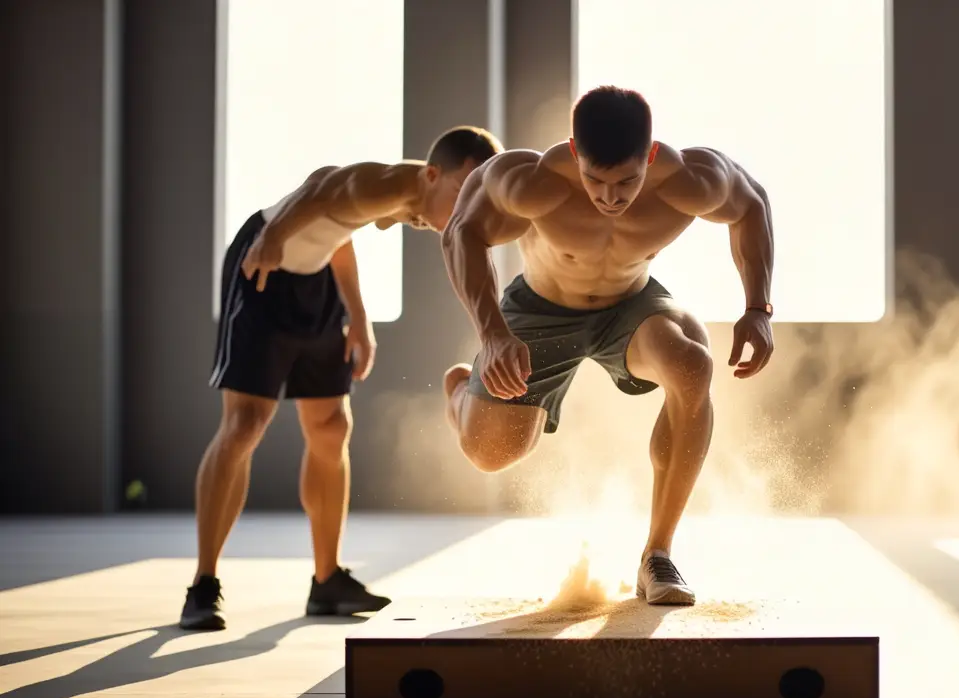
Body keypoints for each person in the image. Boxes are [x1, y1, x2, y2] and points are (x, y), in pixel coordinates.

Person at [439, 87, 775, 606]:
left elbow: (751, 206)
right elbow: (461, 232)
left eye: (627, 181)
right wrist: (492, 335)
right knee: (493, 454)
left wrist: (757, 309)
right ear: (575, 153)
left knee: (692, 365)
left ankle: (657, 556)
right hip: (542, 310)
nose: (611, 197)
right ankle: (464, 391)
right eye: (595, 179)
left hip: (631, 304)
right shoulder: (531, 182)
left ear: (651, 156)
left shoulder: (692, 181)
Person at [181, 126, 505, 631]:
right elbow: (321, 186)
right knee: (245, 426)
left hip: (318, 284)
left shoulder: (417, 202)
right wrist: (271, 237)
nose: (470, 202)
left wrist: (359, 315)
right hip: (264, 270)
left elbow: (337, 229)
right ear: (432, 174)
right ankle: (203, 585)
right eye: (464, 188)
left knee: (331, 428)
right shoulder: (380, 183)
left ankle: (327, 580)